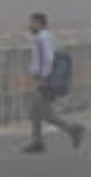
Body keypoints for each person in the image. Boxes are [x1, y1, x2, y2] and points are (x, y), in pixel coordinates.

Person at [23, 12, 84, 154]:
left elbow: (48, 59)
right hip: (46, 79)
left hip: (47, 80)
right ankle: (38, 140)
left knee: (41, 111)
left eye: (32, 23)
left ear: (39, 24)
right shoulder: (44, 37)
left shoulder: (42, 38)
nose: (29, 26)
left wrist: (44, 77)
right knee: (37, 110)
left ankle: (71, 129)